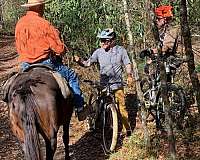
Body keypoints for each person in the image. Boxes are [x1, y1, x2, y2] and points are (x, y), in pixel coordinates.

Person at [15, 0, 86, 121]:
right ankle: (80, 108)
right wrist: (63, 49)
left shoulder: (20, 24)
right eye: (43, 5)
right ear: (39, 6)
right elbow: (58, 48)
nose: (44, 7)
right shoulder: (44, 23)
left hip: (25, 65)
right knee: (72, 75)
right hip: (46, 63)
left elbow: (18, 46)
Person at [74, 28, 134, 136]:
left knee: (122, 106)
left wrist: (129, 75)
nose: (101, 43)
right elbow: (87, 63)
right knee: (99, 104)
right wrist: (79, 61)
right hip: (103, 85)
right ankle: (96, 122)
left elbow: (127, 64)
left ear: (111, 41)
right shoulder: (98, 52)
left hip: (117, 84)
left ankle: (127, 128)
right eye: (101, 40)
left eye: (104, 40)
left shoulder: (121, 50)